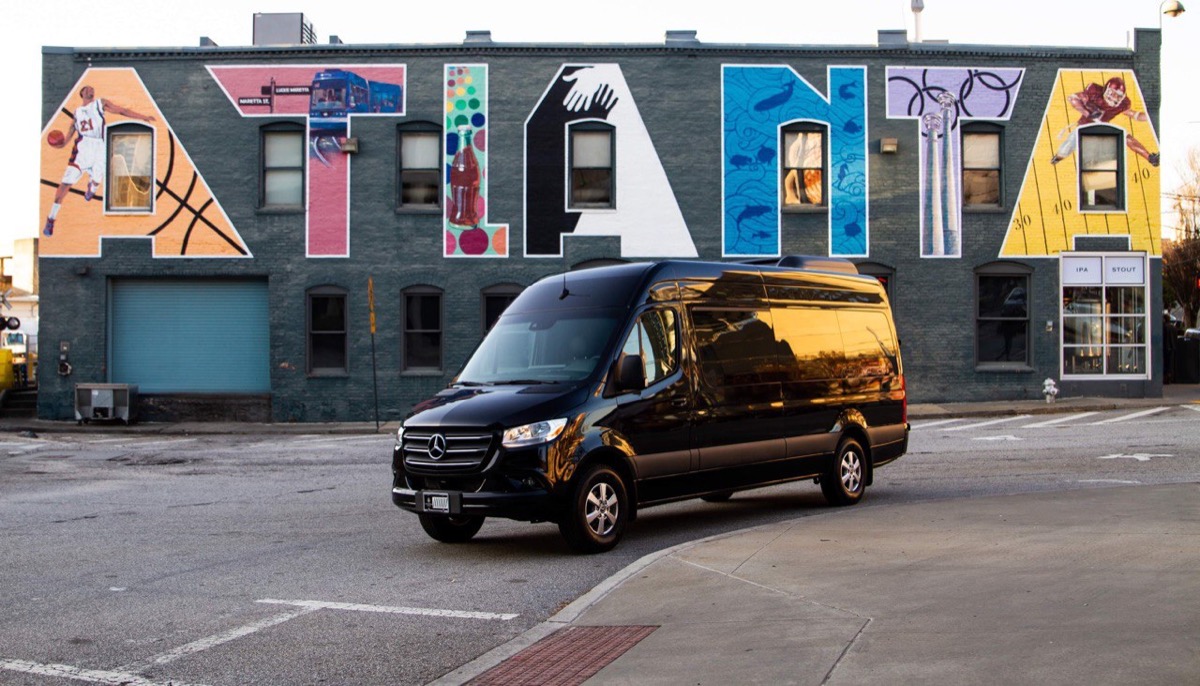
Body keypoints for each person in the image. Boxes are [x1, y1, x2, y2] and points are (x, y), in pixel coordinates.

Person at [42, 85, 157, 236]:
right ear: (81, 93)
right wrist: (56, 143)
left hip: (99, 146)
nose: (91, 90)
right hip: (83, 149)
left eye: (92, 89)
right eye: (87, 89)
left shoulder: (100, 103)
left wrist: (142, 117)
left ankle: (92, 187)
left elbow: (122, 110)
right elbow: (65, 141)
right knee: (65, 184)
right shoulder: (76, 113)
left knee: (97, 179)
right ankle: (51, 218)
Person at [1050, 76, 1159, 167]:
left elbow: (1134, 115)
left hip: (1102, 127)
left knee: (1126, 137)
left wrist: (1150, 117)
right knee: (1066, 149)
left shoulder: (1122, 104)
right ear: (1106, 89)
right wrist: (1088, 113)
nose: (1115, 97)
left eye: (1118, 95)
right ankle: (1057, 159)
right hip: (1084, 126)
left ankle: (1150, 157)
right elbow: (1073, 98)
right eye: (1113, 93)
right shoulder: (1094, 91)